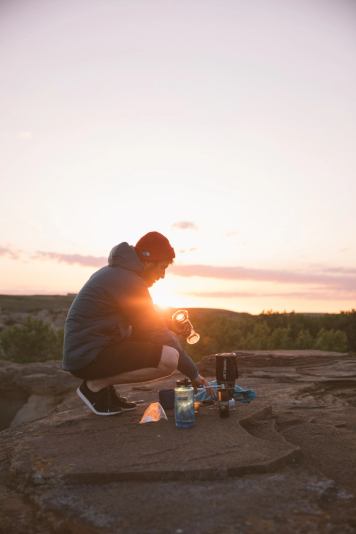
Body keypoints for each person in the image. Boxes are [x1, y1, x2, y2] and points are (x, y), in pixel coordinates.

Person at [62, 231, 209, 416]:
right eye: (162, 267)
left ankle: (106, 391)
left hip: (89, 351)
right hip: (87, 357)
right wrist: (194, 374)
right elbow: (155, 331)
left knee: (162, 345)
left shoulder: (119, 274)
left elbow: (142, 325)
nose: (162, 275)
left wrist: (170, 325)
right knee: (169, 358)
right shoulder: (127, 280)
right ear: (148, 261)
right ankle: (95, 386)